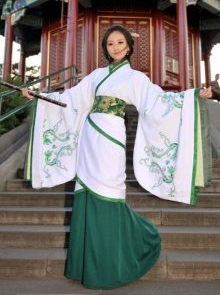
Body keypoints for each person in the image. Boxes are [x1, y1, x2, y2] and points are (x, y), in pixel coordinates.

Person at [22, 25, 213, 289]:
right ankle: (83, 265)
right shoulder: (95, 76)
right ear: (105, 48)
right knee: (87, 193)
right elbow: (70, 100)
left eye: (120, 42)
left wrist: (192, 95)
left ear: (129, 46)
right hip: (89, 137)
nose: (115, 48)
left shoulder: (136, 78)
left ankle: (113, 263)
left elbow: (159, 102)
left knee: (108, 192)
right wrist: (39, 95)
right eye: (110, 44)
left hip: (112, 137)